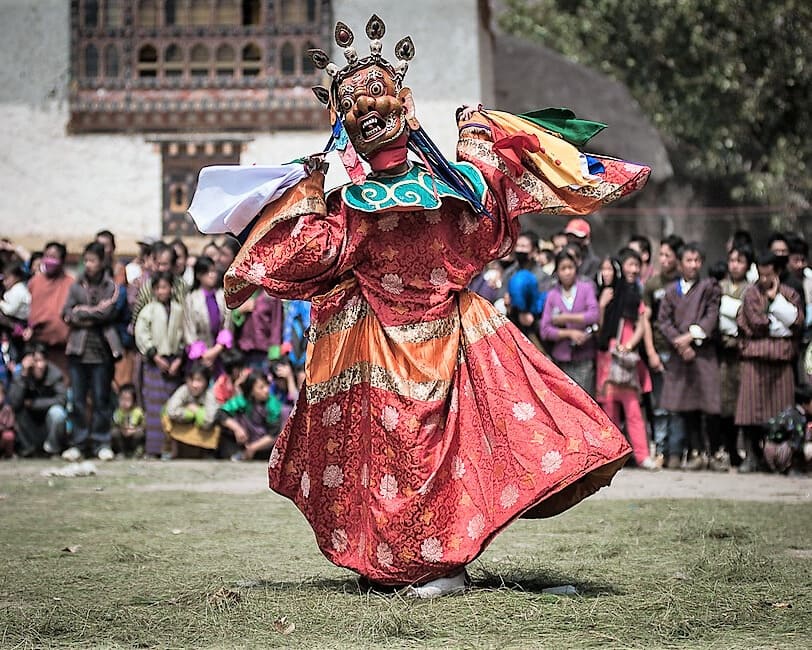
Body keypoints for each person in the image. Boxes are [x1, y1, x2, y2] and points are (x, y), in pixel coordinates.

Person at [190, 14, 650, 597]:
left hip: (436, 340)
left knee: (425, 456)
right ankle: (393, 564)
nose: (370, 112)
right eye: (355, 108)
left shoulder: (431, 193)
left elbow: (330, 249)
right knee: (388, 462)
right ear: (344, 125)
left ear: (403, 103)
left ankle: (442, 566)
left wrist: (475, 140)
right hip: (383, 345)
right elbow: (322, 252)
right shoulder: (370, 202)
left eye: (378, 98)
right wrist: (475, 139)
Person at [735, 251, 804, 472]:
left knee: (781, 411)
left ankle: (783, 460)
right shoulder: (750, 294)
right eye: (761, 275)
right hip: (754, 361)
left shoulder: (790, 294)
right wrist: (778, 326)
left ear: (778, 272)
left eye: (769, 275)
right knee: (750, 412)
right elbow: (755, 324)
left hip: (781, 363)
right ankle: (752, 455)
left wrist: (776, 301)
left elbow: (796, 322)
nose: (764, 280)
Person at [657, 242, 721, 470]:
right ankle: (694, 454)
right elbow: (663, 321)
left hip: (702, 353)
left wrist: (691, 337)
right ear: (680, 263)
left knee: (709, 406)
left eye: (697, 261)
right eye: (688, 260)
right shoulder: (671, 292)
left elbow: (711, 316)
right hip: (679, 355)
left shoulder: (709, 287)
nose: (693, 265)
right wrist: (680, 343)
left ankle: (715, 454)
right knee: (684, 406)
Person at [595, 248, 657, 470]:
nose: (606, 273)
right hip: (607, 358)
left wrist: (630, 345)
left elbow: (642, 323)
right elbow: (599, 330)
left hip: (627, 358)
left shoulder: (633, 295)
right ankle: (613, 457)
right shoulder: (605, 295)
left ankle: (642, 455)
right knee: (609, 410)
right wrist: (602, 305)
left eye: (609, 269)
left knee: (632, 409)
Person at [61, 242, 122, 462]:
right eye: (85, 260)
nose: (88, 264)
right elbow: (67, 313)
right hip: (78, 351)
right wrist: (90, 315)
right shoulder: (75, 286)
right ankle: (78, 443)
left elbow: (108, 312)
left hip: (103, 352)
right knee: (77, 400)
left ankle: (101, 442)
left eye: (92, 260)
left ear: (102, 261)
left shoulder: (111, 286)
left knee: (101, 399)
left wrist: (83, 313)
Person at [134, 271, 186, 457]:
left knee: (172, 405)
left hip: (174, 363)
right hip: (155, 363)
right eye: (159, 288)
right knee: (154, 406)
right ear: (154, 290)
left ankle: (170, 448)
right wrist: (155, 356)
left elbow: (184, 335)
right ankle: (153, 449)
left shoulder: (179, 309)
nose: (163, 291)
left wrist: (179, 358)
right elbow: (141, 334)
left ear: (171, 288)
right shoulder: (148, 310)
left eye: (165, 287)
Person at [642, 234, 683, 465]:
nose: (663, 259)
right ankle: (659, 450)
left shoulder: (682, 283)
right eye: (662, 254)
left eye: (668, 255)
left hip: (679, 351)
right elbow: (645, 320)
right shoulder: (653, 284)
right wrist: (650, 352)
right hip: (658, 348)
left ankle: (676, 453)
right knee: (659, 405)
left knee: (677, 404)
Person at [713, 244, 753, 468]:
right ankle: (729, 451)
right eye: (732, 260)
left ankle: (747, 451)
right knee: (725, 405)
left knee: (744, 404)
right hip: (723, 354)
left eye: (740, 260)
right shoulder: (720, 287)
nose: (735, 265)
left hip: (743, 353)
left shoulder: (752, 289)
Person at [540, 249, 599, 394]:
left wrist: (565, 318)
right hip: (561, 359)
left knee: (585, 402)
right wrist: (569, 333)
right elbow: (545, 330)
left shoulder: (586, 289)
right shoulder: (552, 295)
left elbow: (594, 315)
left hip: (584, 357)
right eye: (563, 268)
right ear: (557, 271)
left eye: (570, 268)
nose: (567, 272)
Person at [8, 343, 68, 456]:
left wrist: (33, 404)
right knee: (17, 411)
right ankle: (28, 449)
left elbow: (62, 400)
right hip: (29, 426)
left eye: (42, 360)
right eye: (35, 361)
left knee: (57, 413)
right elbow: (14, 403)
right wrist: (24, 374)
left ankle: (52, 449)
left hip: (47, 425)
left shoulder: (54, 374)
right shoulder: (21, 375)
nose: (40, 365)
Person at [24, 242, 74, 378]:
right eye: (47, 256)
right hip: (37, 346)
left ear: (62, 261)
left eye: (54, 257)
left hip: (62, 348)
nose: (49, 260)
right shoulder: (35, 282)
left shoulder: (71, 283)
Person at [217, 370, 282, 461]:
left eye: (267, 386)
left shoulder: (272, 405)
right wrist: (237, 429)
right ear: (251, 391)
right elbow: (221, 413)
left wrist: (252, 448)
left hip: (265, 448)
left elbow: (274, 434)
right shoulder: (243, 400)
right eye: (261, 387)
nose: (266, 390)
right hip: (244, 442)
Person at [184, 256, 233, 373]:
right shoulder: (191, 298)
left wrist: (217, 349)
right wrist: (203, 354)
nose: (212, 275)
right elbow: (189, 329)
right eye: (208, 272)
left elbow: (227, 324)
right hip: (200, 355)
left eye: (213, 271)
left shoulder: (222, 296)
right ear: (199, 275)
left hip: (219, 353)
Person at [162, 362, 220, 459]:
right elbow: (171, 410)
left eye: (199, 380)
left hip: (202, 429)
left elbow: (209, 420)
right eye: (191, 380)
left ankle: (207, 452)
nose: (194, 385)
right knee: (165, 417)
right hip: (182, 423)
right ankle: (172, 449)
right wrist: (188, 414)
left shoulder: (209, 395)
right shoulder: (183, 390)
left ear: (206, 382)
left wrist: (196, 410)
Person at [763, 384, 812, 474]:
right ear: (805, 403)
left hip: (769, 450)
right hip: (781, 453)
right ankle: (794, 469)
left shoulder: (789, 411)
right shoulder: (798, 418)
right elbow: (798, 444)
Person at [233, 288, 284, 372]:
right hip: (244, 348)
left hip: (263, 349)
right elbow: (234, 319)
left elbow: (276, 323)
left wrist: (274, 353)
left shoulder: (272, 294)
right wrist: (240, 311)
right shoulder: (244, 291)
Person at [111, 383, 145, 458]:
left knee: (140, 433)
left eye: (128, 400)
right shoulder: (118, 412)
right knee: (114, 432)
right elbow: (116, 424)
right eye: (122, 399)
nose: (124, 402)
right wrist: (123, 429)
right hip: (123, 433)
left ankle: (137, 451)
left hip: (133, 433)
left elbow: (142, 425)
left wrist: (133, 430)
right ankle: (121, 451)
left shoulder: (137, 411)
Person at [0, 382, 16, 458]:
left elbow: (10, 425)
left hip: (2, 436)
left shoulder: (7, 409)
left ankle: (8, 454)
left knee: (9, 435)